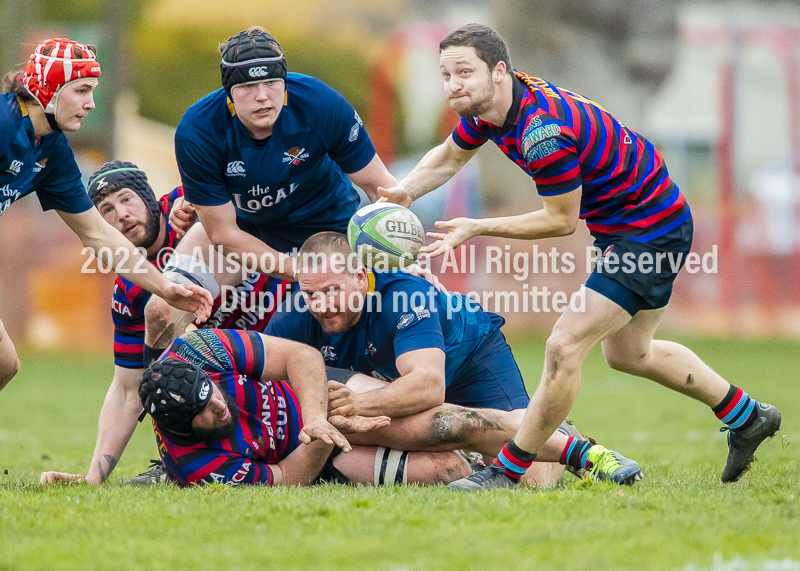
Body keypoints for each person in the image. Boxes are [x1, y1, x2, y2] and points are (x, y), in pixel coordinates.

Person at [376, 23, 781, 489]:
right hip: (635, 223)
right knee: (630, 353)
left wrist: (478, 226)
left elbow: (560, 220)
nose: (453, 86)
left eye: (463, 72)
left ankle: (506, 472)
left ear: (500, 71)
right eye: (446, 75)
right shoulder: (492, 109)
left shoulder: (541, 132)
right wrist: (403, 192)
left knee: (563, 345)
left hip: (649, 231)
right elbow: (448, 157)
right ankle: (747, 417)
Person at [265, 232, 643, 487]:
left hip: (469, 356)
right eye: (312, 295)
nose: (322, 305)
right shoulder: (294, 315)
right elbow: (263, 376)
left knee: (531, 481)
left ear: (361, 276)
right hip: (396, 379)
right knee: (434, 426)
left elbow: (429, 386)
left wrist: (356, 405)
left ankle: (556, 432)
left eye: (333, 291)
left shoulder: (403, 296)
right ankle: (486, 439)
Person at [42, 161, 291, 484]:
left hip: (296, 313)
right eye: (106, 210)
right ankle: (182, 461)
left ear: (147, 196)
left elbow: (255, 184)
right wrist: (93, 479)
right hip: (252, 372)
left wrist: (199, 205)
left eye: (126, 199)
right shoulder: (130, 290)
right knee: (177, 380)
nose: (121, 214)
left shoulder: (185, 203)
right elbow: (127, 389)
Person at [0, 38, 212, 390]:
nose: (90, 104)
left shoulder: (51, 150)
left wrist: (165, 287)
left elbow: (97, 234)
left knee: (4, 363)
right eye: (81, 90)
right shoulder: (4, 124)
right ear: (48, 88)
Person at [43, 329, 472, 487]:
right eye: (206, 415)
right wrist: (323, 437)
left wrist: (319, 413)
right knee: (445, 468)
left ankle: (516, 452)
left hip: (313, 393)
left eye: (213, 396)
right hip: (305, 454)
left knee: (448, 424)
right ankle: (488, 469)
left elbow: (301, 358)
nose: (219, 410)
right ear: (184, 430)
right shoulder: (192, 462)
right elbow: (288, 477)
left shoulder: (197, 350)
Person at [169, 26, 398, 283]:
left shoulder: (319, 103)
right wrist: (300, 271)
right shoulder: (198, 130)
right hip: (245, 233)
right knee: (162, 312)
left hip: (327, 227)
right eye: (247, 86)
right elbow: (224, 235)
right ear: (228, 91)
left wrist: (406, 258)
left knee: (340, 307)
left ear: (285, 81)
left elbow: (384, 190)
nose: (262, 96)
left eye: (271, 82)